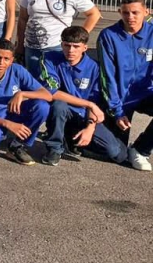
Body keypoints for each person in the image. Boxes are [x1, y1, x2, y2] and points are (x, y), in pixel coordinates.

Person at [40, 26, 126, 167]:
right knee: (58, 105)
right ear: (61, 44)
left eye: (76, 46)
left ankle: (72, 140)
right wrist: (89, 104)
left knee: (117, 154)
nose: (71, 50)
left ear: (85, 48)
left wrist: (90, 128)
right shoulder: (49, 58)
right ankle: (54, 148)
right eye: (67, 45)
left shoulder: (95, 68)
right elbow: (52, 92)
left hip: (85, 115)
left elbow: (96, 102)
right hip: (62, 110)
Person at [17, 0, 100, 78]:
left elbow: (94, 14)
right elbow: (23, 19)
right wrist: (20, 45)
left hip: (57, 48)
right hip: (32, 48)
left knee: (56, 83)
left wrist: (78, 38)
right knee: (34, 84)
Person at [98, 0, 153, 172]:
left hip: (145, 94)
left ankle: (140, 149)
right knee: (118, 155)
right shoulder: (108, 36)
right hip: (120, 99)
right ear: (119, 12)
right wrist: (116, 110)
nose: (130, 17)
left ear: (146, 11)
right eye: (126, 13)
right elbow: (107, 76)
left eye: (135, 13)